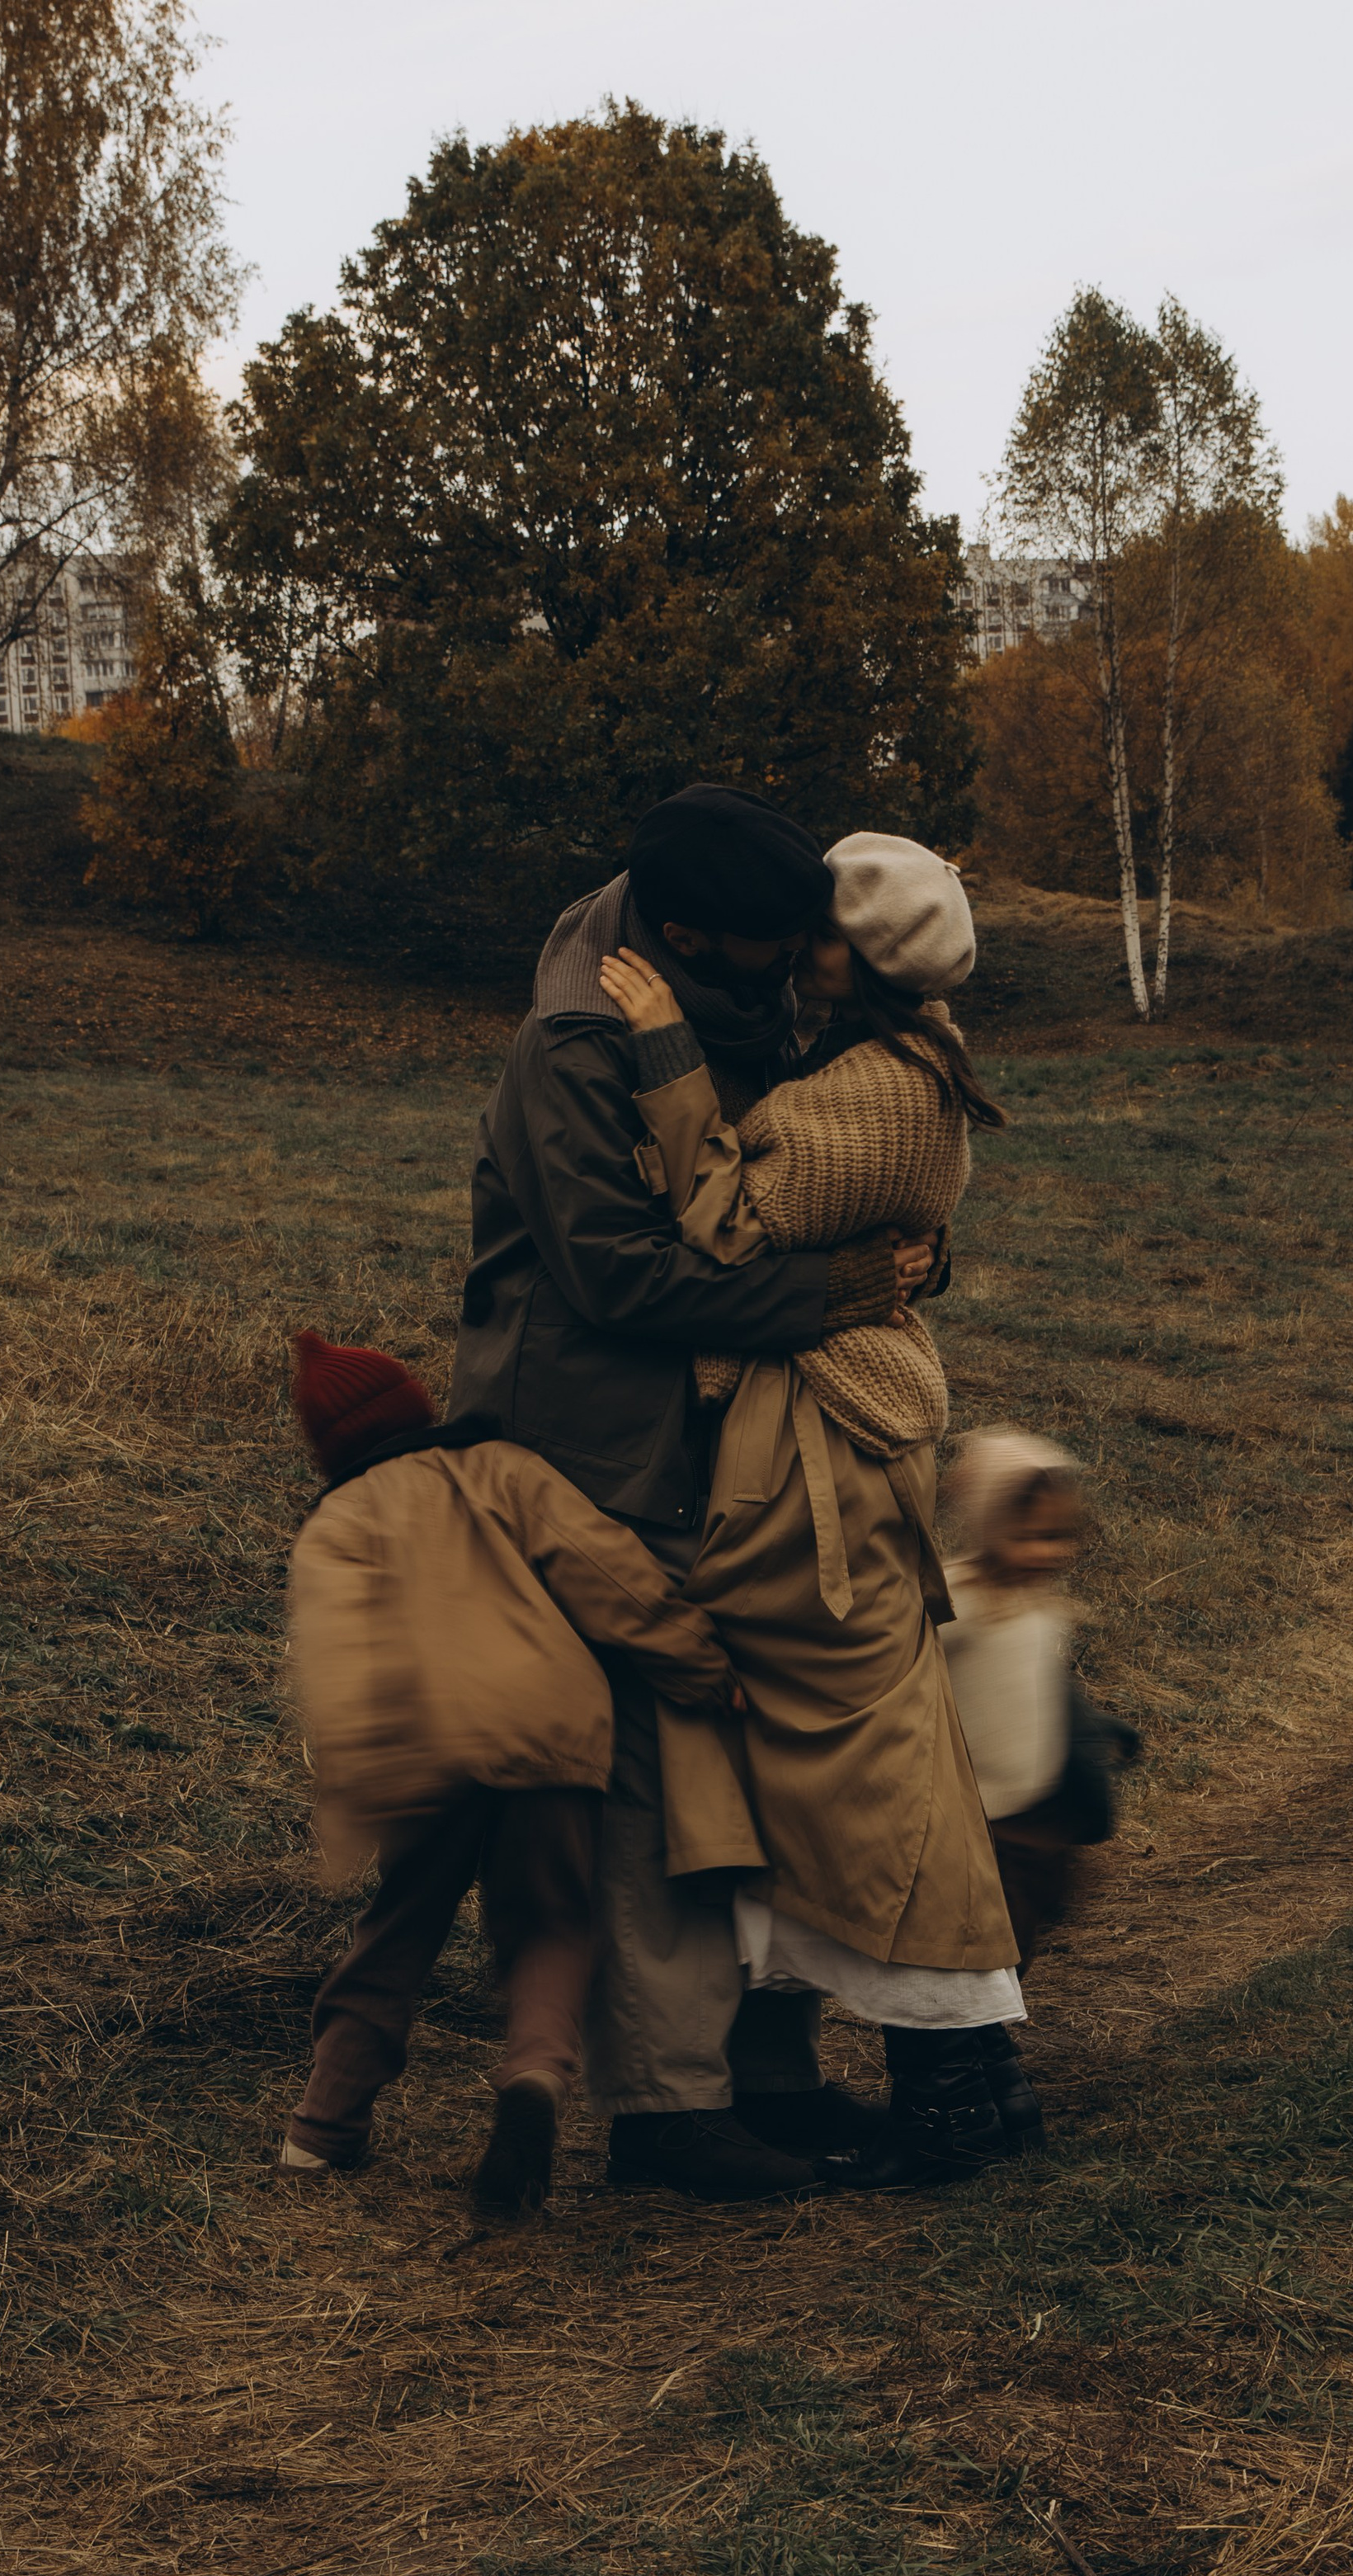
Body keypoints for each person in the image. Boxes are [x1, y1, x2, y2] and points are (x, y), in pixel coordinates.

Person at [449, 786, 931, 2204]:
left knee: (779, 1758)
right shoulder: (576, 1048)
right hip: (598, 1459)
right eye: (768, 953)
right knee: (658, 1787)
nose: (795, 978)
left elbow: (797, 1179)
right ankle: (667, 2109)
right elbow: (617, 1276)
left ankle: (767, 2080)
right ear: (685, 932)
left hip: (739, 1447)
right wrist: (835, 1291)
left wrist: (901, 1249)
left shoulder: (731, 991)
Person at [596, 833, 1040, 2191]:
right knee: (841, 1753)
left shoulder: (871, 1090)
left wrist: (667, 1056)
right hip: (837, 1437)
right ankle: (859, 2074)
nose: (796, 945)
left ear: (862, 961)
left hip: (823, 1452)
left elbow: (726, 1220)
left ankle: (951, 2085)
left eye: (820, 931)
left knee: (860, 1757)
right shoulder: (893, 1061)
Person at [279, 1330, 740, 2213]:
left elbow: (340, 1676)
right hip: (549, 1737)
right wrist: (702, 1667)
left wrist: (357, 1800)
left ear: (325, 1446)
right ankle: (532, 2080)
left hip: (427, 1755)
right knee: (552, 1926)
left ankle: (322, 2130)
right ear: (417, 1407)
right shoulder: (500, 1469)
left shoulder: (334, 1528)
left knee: (397, 1932)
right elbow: (611, 1576)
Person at [940, 1428, 1138, 1972]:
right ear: (988, 1526)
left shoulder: (1039, 1606)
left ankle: (992, 2030)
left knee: (1021, 1931)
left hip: (1034, 1815)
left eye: (1059, 1534)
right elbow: (905, 1667)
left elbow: (1035, 1689)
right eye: (1028, 1535)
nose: (1048, 1551)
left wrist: (1094, 1724)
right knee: (979, 1944)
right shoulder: (956, 1598)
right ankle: (965, 2044)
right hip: (975, 1824)